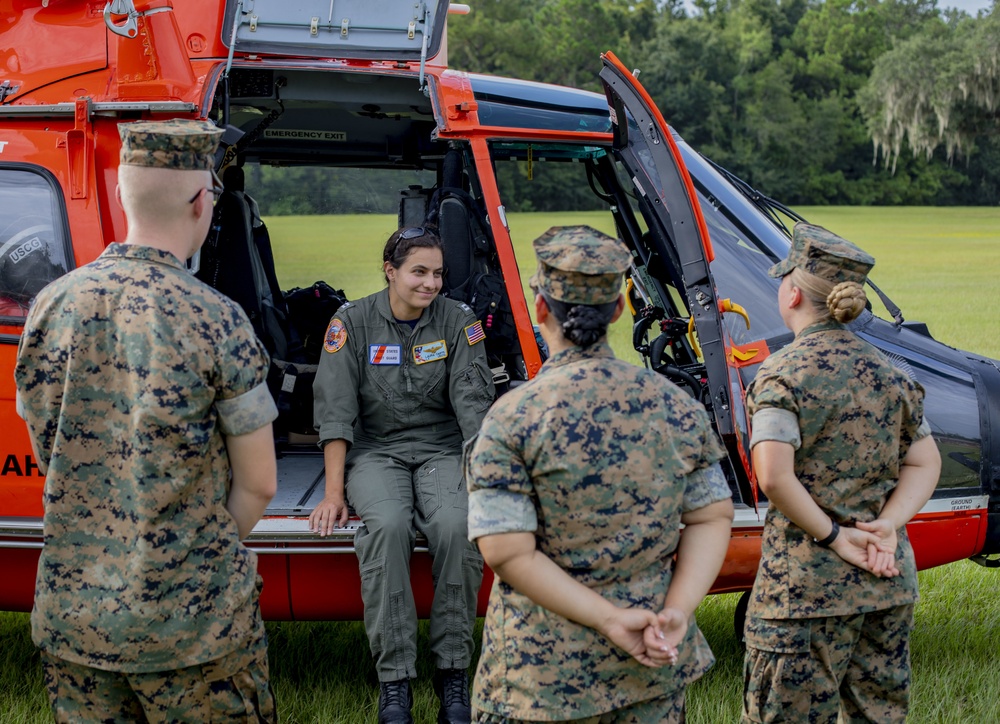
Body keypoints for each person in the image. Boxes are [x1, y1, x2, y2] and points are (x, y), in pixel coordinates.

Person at [13, 119, 279, 722]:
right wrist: (199, 558)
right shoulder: (216, 318)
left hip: (76, 622)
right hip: (194, 633)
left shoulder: (52, 306)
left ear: (120, 196)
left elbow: (49, 447)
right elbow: (260, 484)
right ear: (200, 201)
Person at [465, 226, 735, 723]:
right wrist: (677, 609)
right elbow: (712, 516)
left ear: (541, 309)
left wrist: (610, 621)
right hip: (650, 668)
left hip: (539, 679)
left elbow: (506, 550)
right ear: (617, 311)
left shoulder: (513, 417)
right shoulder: (675, 405)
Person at [741, 223, 941, 723]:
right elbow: (925, 460)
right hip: (885, 582)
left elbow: (773, 474)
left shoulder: (784, 372)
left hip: (803, 592)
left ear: (790, 292)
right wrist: (888, 525)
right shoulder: (893, 372)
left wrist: (832, 536)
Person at [309, 225, 496, 724]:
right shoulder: (351, 323)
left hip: (441, 448)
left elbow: (473, 405)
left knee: (457, 527)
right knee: (387, 527)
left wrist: (485, 478)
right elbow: (335, 412)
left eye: (438, 273)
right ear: (390, 272)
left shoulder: (459, 320)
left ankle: (453, 673)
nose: (431, 283)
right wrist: (332, 492)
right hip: (376, 452)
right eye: (418, 271)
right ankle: (395, 681)